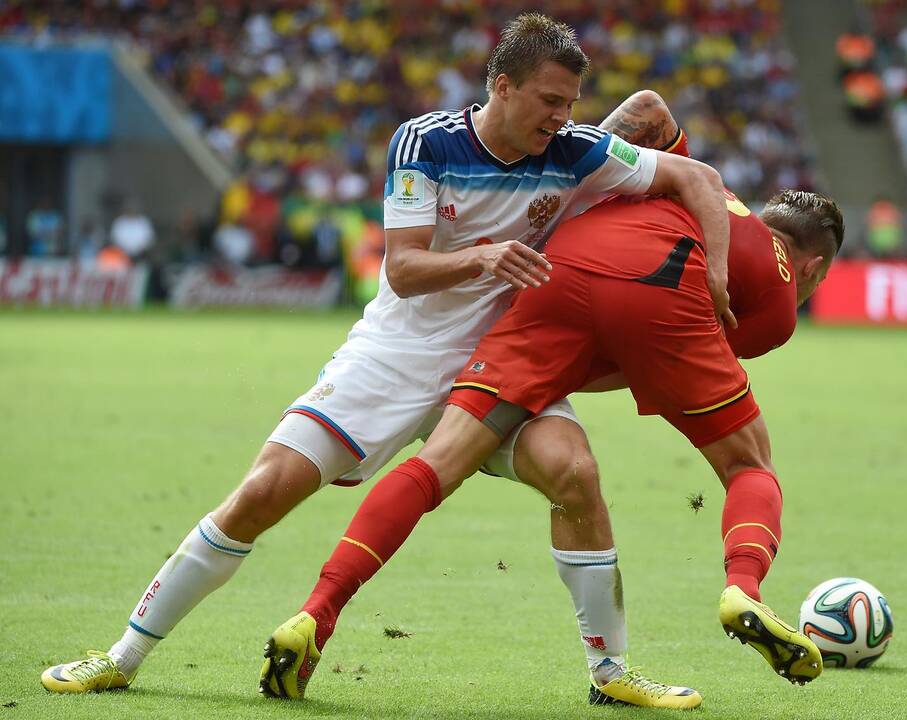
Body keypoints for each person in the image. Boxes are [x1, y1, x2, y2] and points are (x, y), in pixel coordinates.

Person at [41, 14, 729, 709]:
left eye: (572, 102)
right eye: (550, 100)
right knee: (263, 491)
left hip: (500, 361)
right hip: (398, 353)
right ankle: (123, 656)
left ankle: (612, 675)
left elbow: (696, 177)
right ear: (503, 86)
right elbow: (403, 269)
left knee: (575, 474)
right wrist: (485, 256)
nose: (564, 115)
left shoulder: (577, 151)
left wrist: (723, 274)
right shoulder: (425, 141)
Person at [286, 188, 844, 696]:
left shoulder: (699, 185)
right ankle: (742, 588)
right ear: (812, 267)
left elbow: (650, 111)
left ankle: (317, 611)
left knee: (439, 463)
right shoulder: (778, 300)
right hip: (668, 290)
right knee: (750, 466)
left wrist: (532, 383)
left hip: (558, 271)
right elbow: (656, 351)